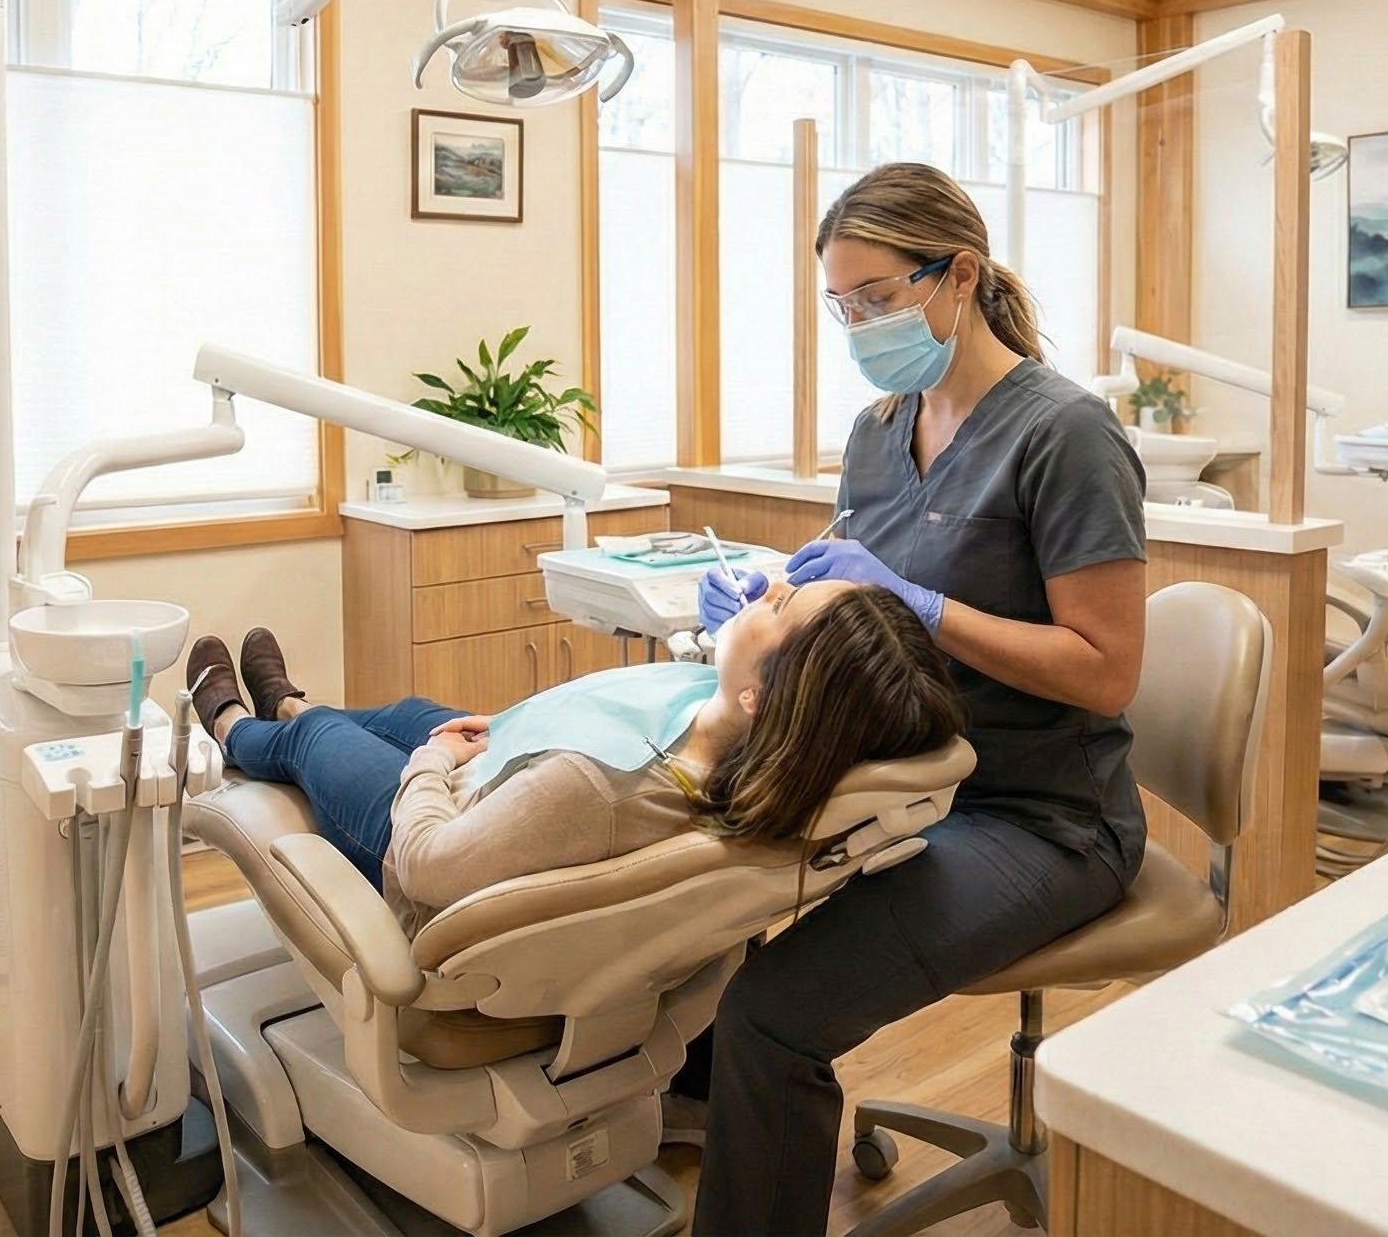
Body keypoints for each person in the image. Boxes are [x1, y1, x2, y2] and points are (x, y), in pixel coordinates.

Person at [685, 161, 1150, 1235]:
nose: (859, 326)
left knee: (772, 1011)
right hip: (902, 779)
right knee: (694, 909)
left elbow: (1105, 669)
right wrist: (768, 597)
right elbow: (865, 607)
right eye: (841, 306)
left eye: (878, 298)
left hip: (1039, 815)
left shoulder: (1065, 435)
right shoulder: (877, 430)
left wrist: (925, 607)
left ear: (960, 276)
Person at [184, 575, 962, 931]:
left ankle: (234, 726)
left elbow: (429, 867)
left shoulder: (601, 787)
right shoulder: (747, 735)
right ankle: (289, 702)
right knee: (413, 710)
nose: (762, 590)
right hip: (521, 778)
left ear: (762, 696)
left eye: (780, 605)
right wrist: (502, 730)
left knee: (328, 739)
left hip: (428, 844)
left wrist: (432, 763)